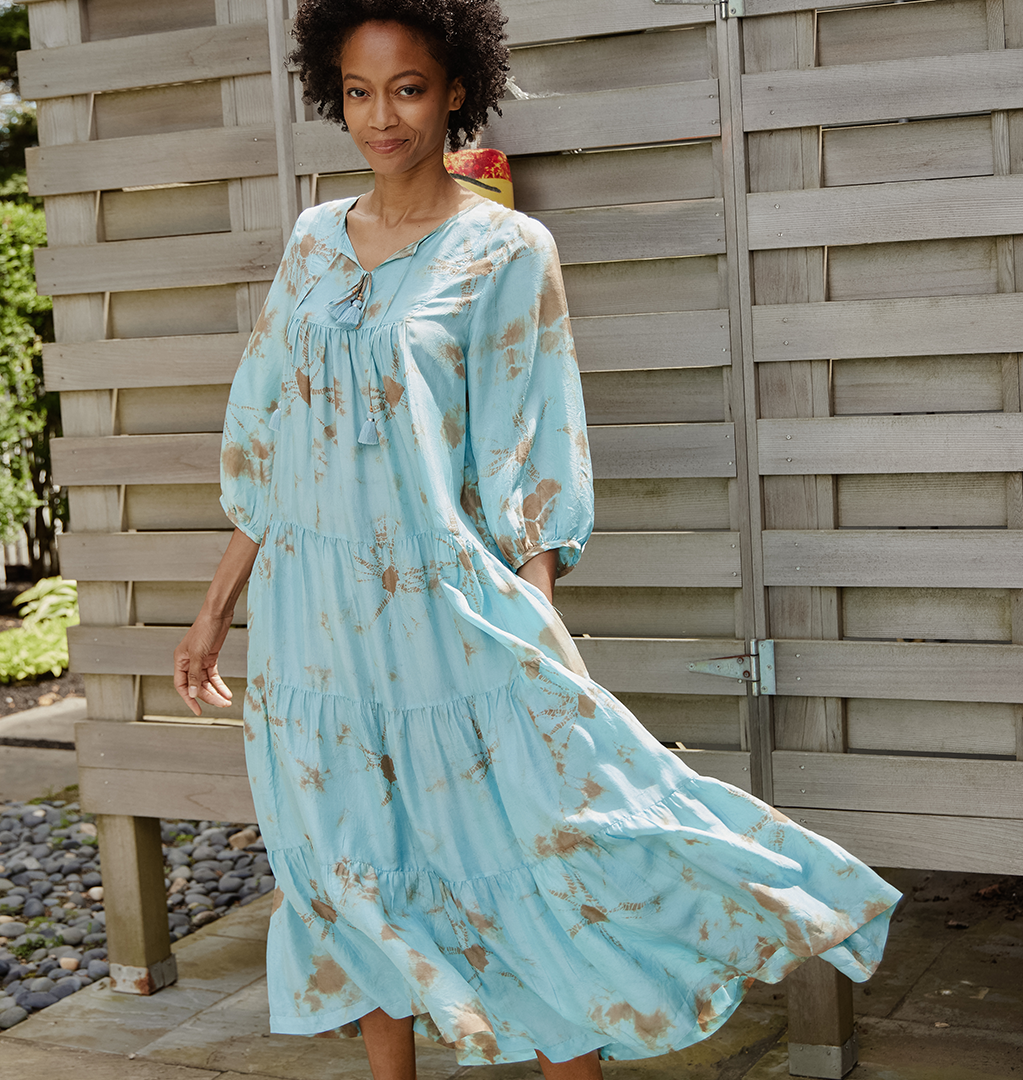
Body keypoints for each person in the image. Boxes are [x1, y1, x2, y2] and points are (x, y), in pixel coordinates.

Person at [173, 2, 902, 1078]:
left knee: (534, 845)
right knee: (351, 865)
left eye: (408, 89)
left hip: (440, 604)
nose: (382, 117)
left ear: (456, 90)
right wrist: (215, 609)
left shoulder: (507, 248)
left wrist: (539, 609)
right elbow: (266, 435)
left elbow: (533, 441)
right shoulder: (313, 239)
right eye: (360, 92)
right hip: (311, 621)